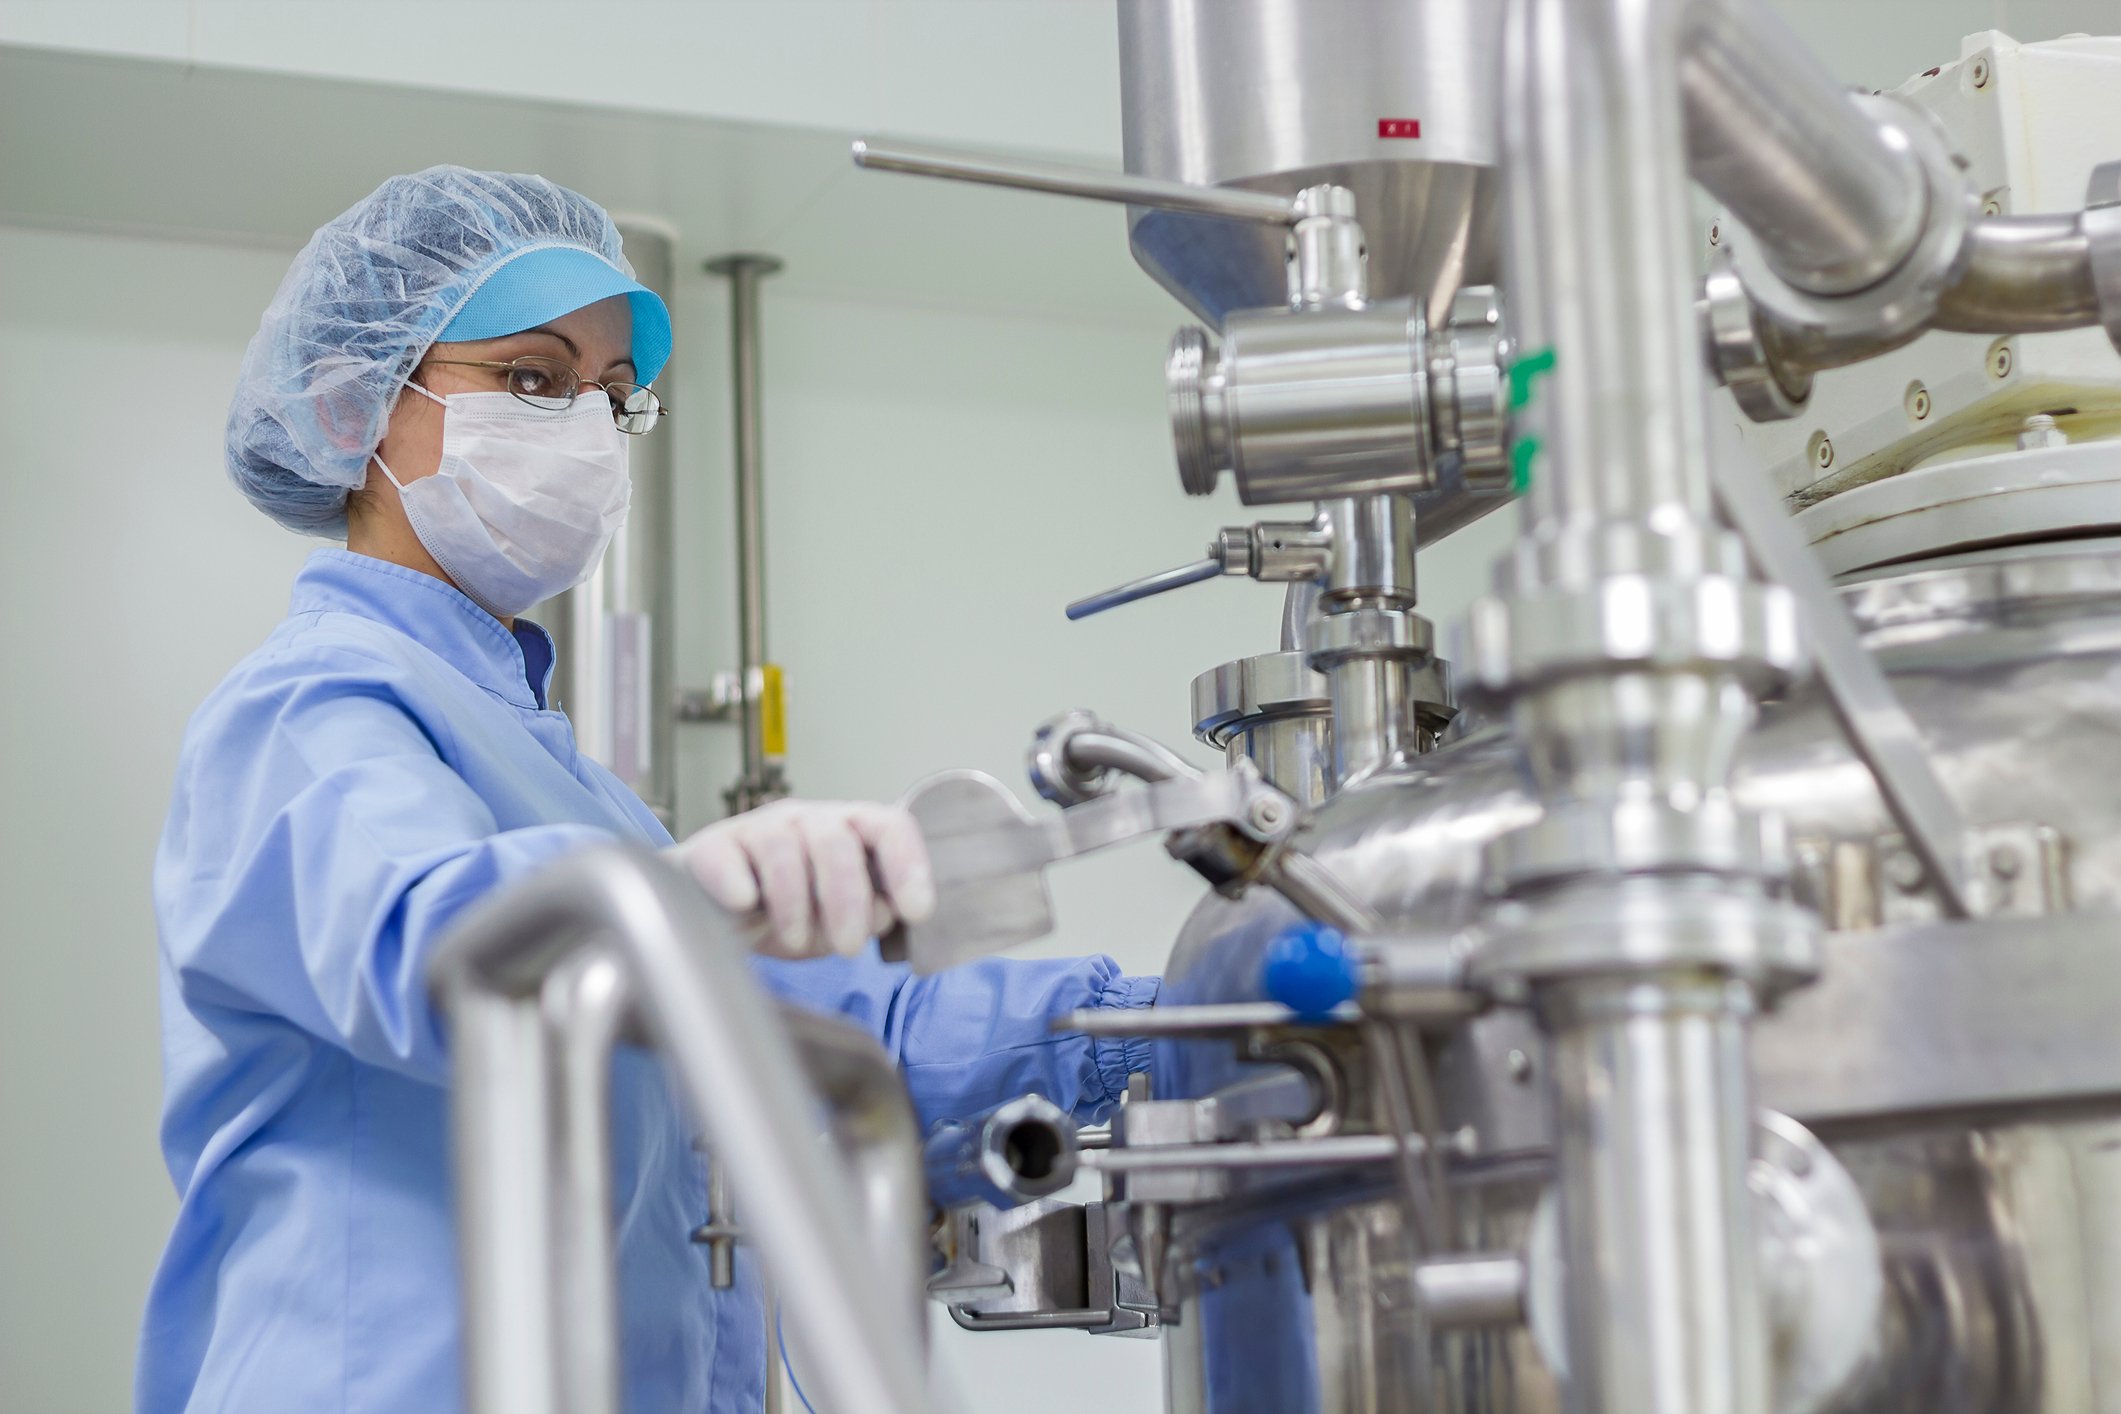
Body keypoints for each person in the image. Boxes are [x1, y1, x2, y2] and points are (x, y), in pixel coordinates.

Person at [136, 165, 1157, 1414]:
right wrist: (676, 894)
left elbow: (841, 1033)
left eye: (612, 398)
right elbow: (441, 947)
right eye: (530, 379)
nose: (582, 429)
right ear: (356, 405)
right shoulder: (306, 711)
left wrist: (1162, 1022)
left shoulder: (577, 792)